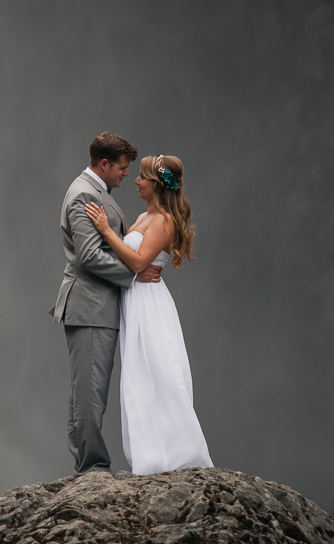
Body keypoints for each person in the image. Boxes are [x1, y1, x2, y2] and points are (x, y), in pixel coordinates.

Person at [84, 154, 213, 474]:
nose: (136, 182)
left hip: (149, 304)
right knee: (138, 378)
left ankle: (178, 451)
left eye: (142, 178)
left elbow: (140, 262)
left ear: (156, 186)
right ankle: (150, 454)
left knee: (159, 372)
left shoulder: (164, 221)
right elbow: (134, 262)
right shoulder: (145, 216)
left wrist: (105, 230)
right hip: (135, 299)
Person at [50, 132, 162, 476]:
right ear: (104, 164)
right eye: (123, 168)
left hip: (95, 306)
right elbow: (88, 256)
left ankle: (87, 463)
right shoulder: (84, 194)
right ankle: (92, 468)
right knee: (90, 393)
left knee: (85, 390)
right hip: (90, 306)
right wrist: (133, 274)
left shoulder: (96, 192)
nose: (127, 174)